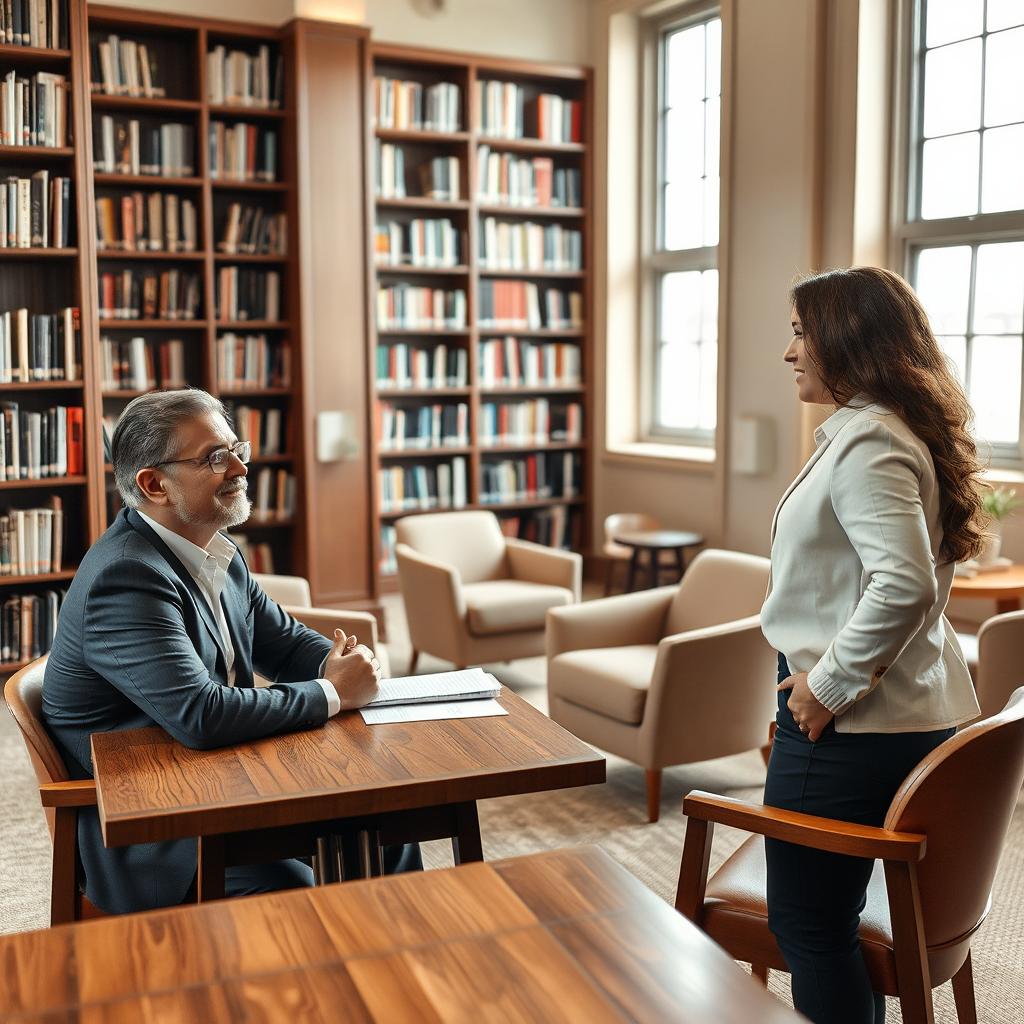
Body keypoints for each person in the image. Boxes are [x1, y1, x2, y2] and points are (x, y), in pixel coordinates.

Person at [42, 388, 421, 915]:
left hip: (223, 782)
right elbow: (202, 715)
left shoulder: (214, 547)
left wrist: (340, 663)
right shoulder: (125, 576)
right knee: (292, 887)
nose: (241, 467)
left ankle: (390, 967)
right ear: (154, 484)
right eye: (215, 457)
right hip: (160, 828)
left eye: (236, 448)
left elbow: (284, 642)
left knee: (386, 822)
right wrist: (333, 692)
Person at [760, 267, 984, 1024]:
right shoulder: (891, 429)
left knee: (808, 926)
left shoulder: (869, 443)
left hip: (851, 720)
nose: (790, 352)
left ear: (848, 338)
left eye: (800, 331)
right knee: (827, 918)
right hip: (898, 710)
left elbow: (901, 587)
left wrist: (823, 687)